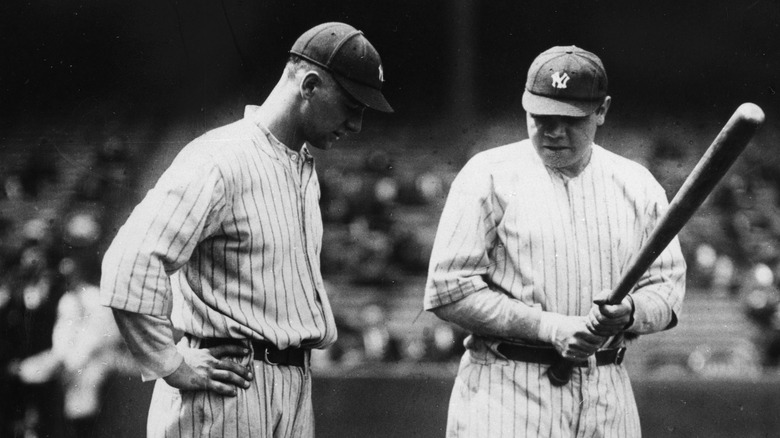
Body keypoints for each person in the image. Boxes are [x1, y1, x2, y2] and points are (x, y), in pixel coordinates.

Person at [100, 22, 392, 438]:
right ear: (309, 85)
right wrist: (171, 363)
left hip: (291, 387)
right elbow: (129, 261)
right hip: (228, 387)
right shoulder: (221, 158)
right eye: (352, 106)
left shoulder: (302, 168)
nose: (357, 125)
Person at [424, 46, 686, 437]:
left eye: (570, 119)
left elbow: (668, 291)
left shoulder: (637, 184)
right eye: (541, 116)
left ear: (602, 110)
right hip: (507, 390)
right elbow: (447, 291)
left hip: (608, 390)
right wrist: (549, 326)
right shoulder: (488, 175)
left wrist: (630, 311)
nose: (553, 131)